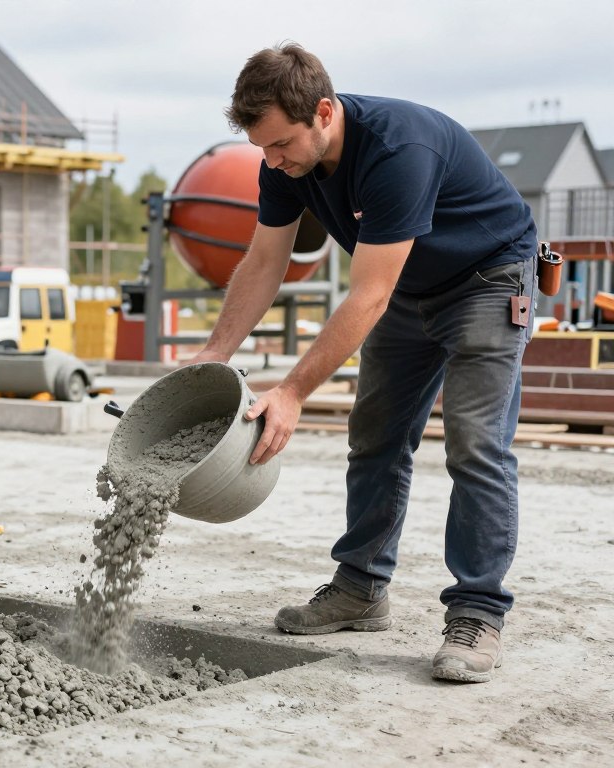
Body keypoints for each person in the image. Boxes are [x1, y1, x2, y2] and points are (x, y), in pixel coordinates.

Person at [191, 43, 537, 683]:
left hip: (488, 279)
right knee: (375, 435)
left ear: (324, 111)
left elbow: (368, 293)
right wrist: (213, 356)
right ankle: (361, 588)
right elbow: (266, 262)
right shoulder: (283, 165)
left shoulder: (400, 150)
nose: (273, 161)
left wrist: (292, 390)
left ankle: (478, 612)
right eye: (261, 148)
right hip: (409, 289)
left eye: (282, 144)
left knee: (474, 443)